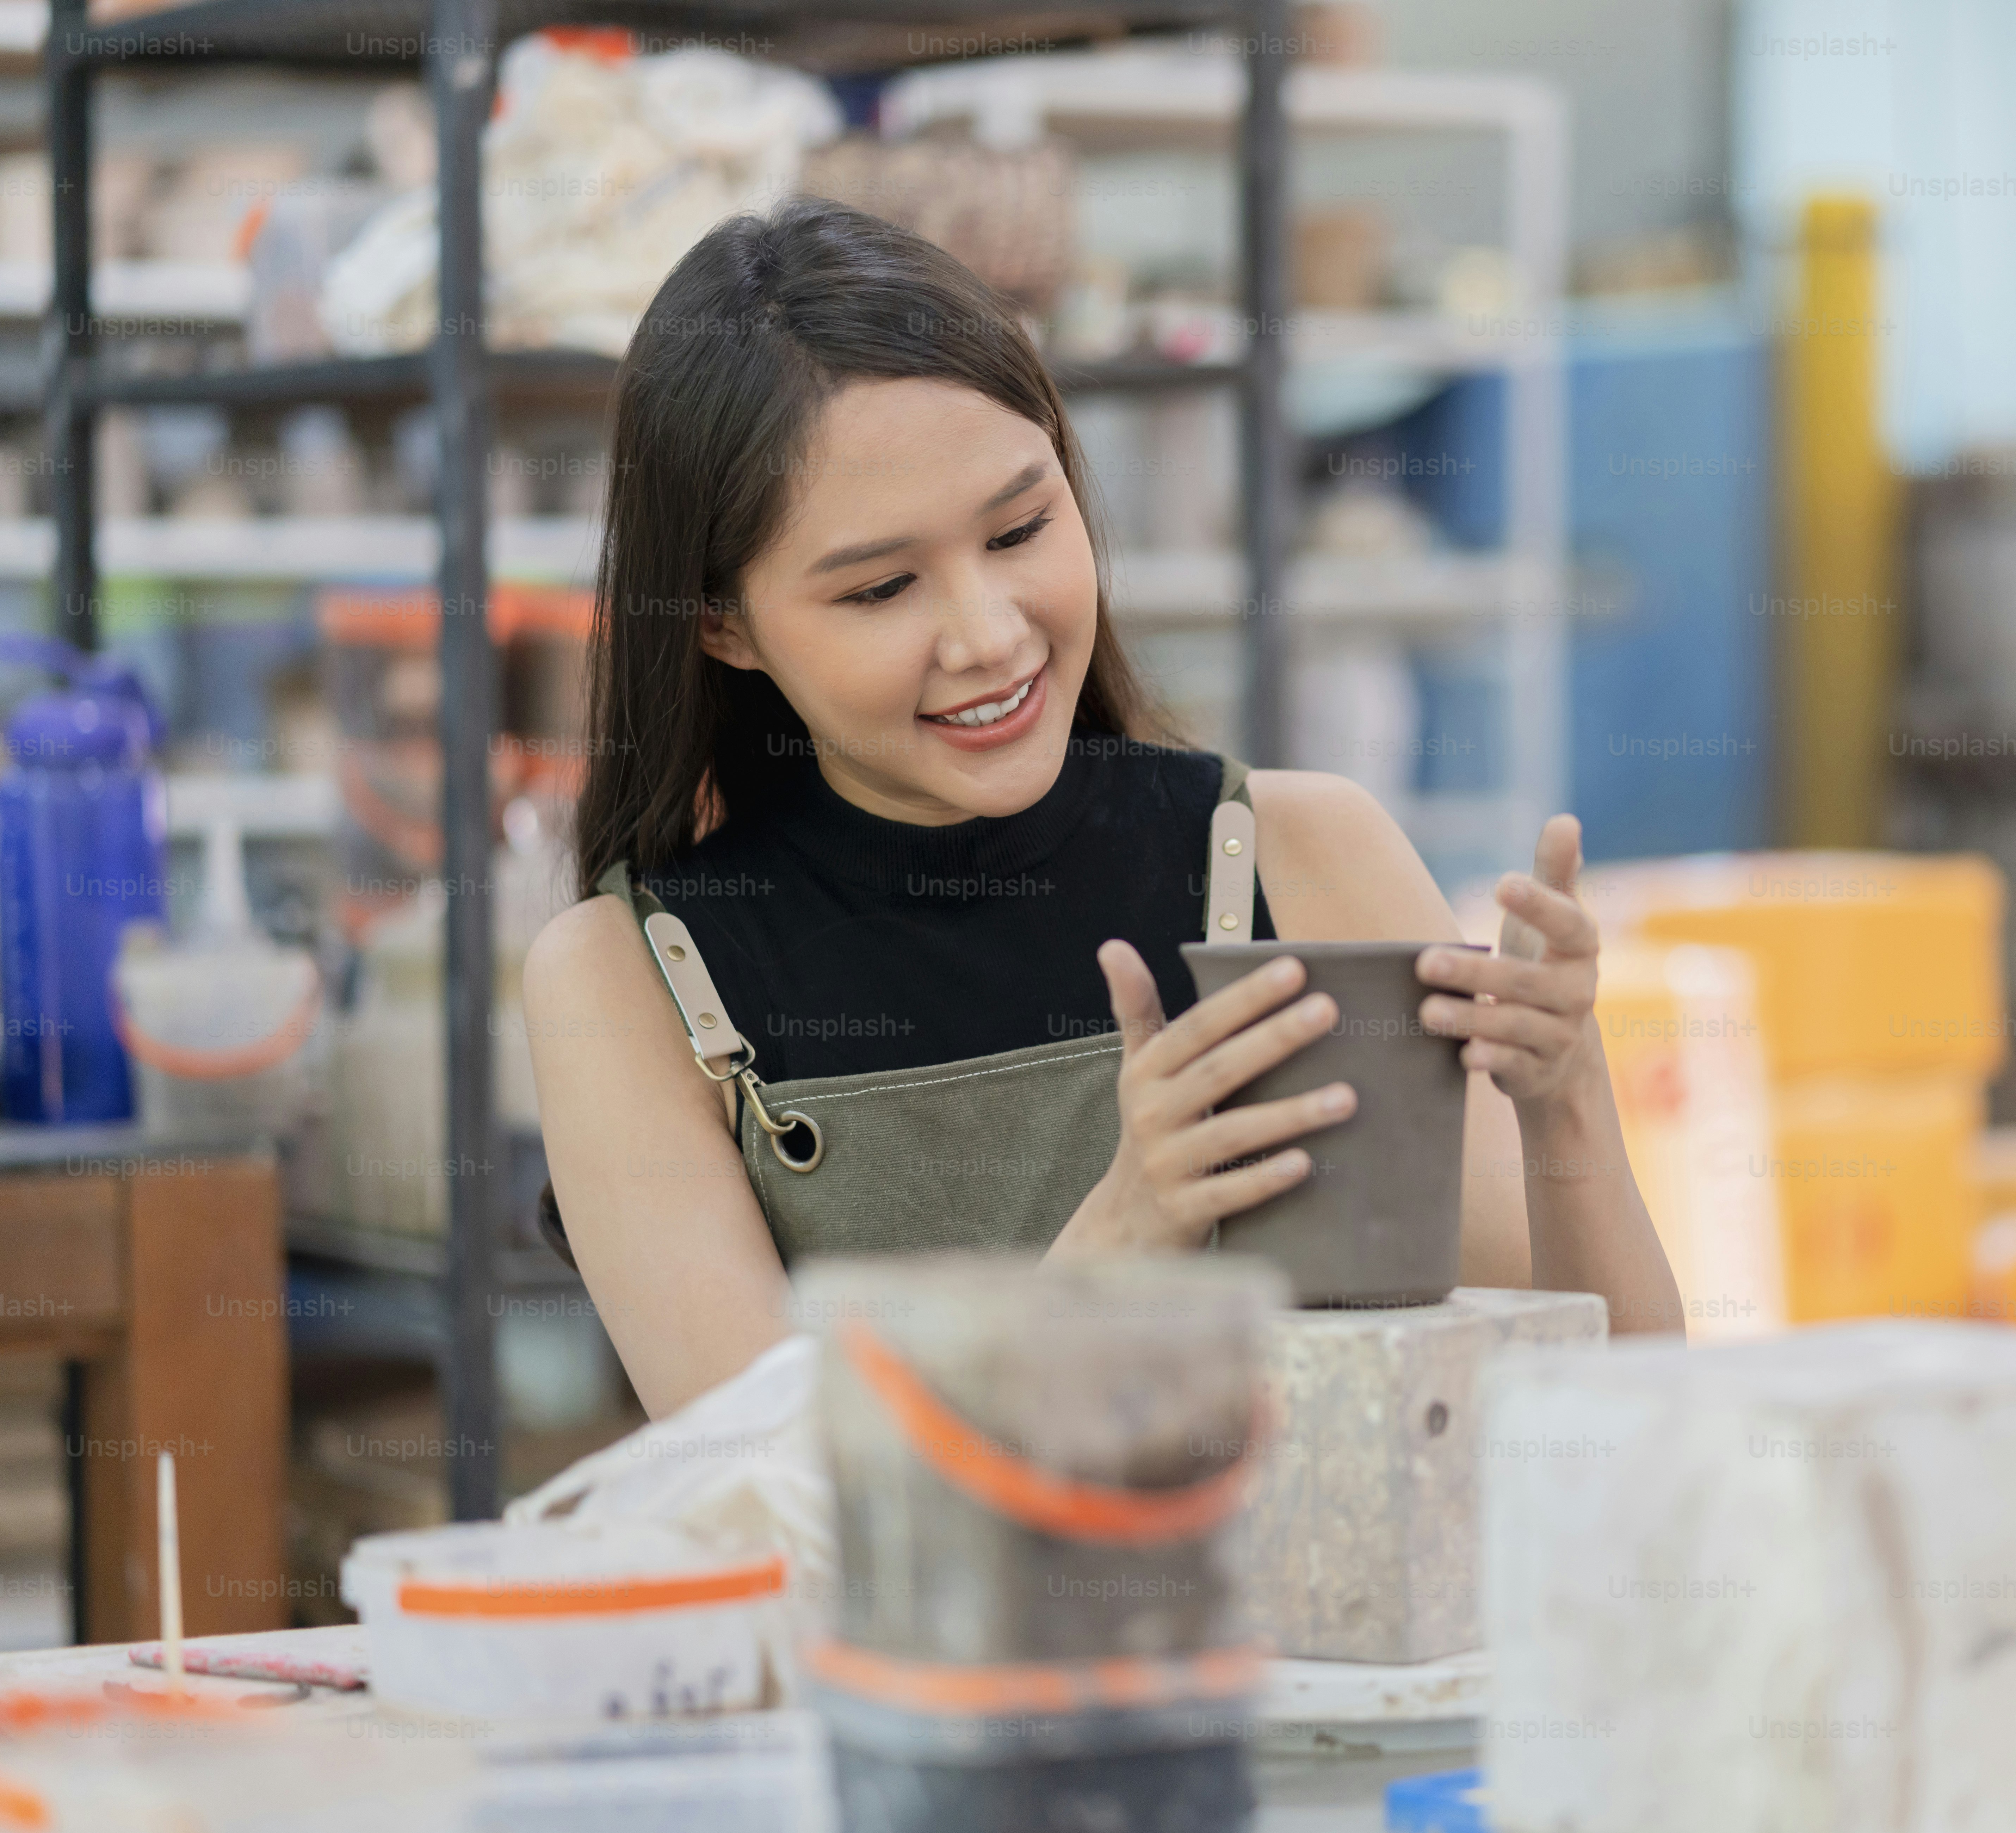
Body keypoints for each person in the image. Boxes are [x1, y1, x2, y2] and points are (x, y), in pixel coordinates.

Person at [521, 199, 1683, 1417]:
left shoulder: (1301, 861)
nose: (987, 634)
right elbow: (758, 1497)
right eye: (880, 589)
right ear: (723, 624)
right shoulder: (635, 979)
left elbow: (1612, 1425)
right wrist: (1117, 1238)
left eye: (1022, 528)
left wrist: (1567, 1105)